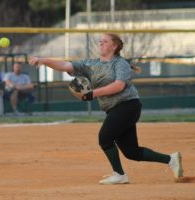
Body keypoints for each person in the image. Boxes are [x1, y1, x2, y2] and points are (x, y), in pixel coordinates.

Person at [29, 33, 183, 185]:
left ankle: (119, 174)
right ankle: (170, 159)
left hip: (127, 105)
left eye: (105, 41)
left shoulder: (119, 63)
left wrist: (92, 94)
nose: (101, 43)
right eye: (100, 41)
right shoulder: (91, 64)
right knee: (131, 152)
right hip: (115, 109)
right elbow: (65, 65)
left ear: (114, 46)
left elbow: (119, 85)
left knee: (105, 137)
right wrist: (42, 60)